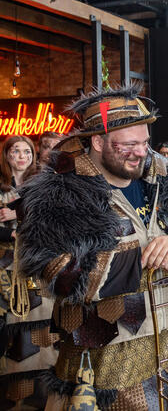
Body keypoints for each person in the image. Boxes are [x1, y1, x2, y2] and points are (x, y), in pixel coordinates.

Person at [16, 85, 168, 410]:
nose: (141, 153)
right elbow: (59, 272)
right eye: (129, 145)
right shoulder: (62, 192)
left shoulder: (165, 176)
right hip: (105, 353)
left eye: (145, 142)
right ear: (98, 141)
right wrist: (144, 258)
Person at [0, 136, 58, 410]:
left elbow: (49, 221)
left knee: (40, 325)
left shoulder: (40, 185)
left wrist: (17, 217)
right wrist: (10, 230)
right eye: (16, 151)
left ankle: (41, 392)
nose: (22, 156)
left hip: (35, 265)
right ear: (6, 155)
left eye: (27, 151)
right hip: (4, 266)